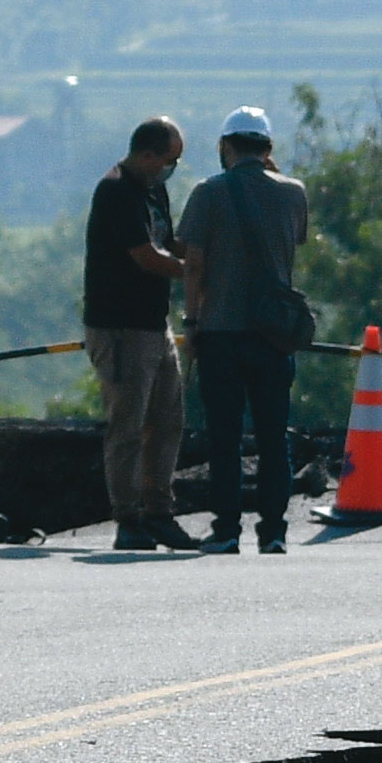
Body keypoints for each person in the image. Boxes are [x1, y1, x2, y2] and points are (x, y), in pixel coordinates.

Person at [174, 105, 317, 551]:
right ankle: (274, 532)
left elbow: (194, 265)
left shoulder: (208, 193)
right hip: (274, 335)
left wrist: (192, 321)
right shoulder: (294, 192)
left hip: (220, 331)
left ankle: (227, 530)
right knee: (275, 436)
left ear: (224, 146)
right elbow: (292, 242)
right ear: (268, 148)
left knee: (225, 437)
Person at [78, 116, 192, 550]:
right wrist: (196, 275)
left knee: (168, 421)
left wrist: (204, 249)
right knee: (126, 427)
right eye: (169, 160)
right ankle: (129, 518)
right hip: (120, 328)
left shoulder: (152, 189)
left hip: (153, 324)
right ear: (147, 155)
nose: (171, 169)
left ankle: (160, 511)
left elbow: (169, 241)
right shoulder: (116, 191)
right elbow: (146, 255)